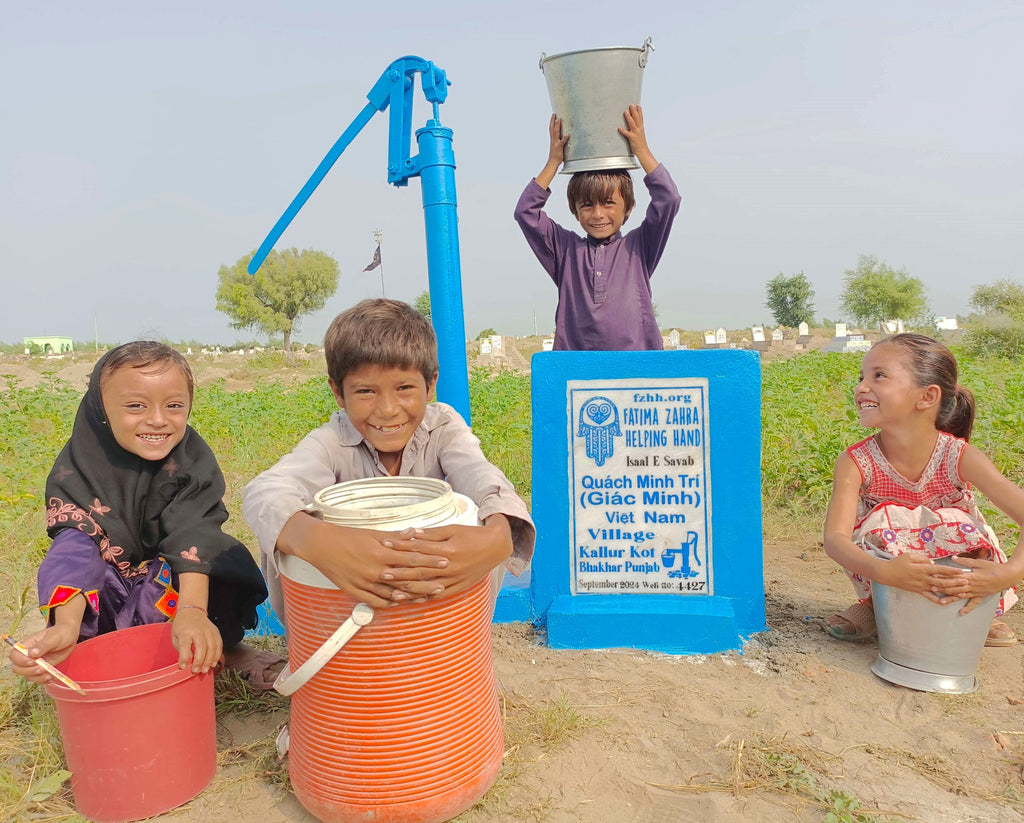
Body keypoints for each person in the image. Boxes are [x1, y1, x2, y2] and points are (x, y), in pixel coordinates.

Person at [8, 342, 282, 689]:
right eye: (136, 405)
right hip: (113, 593)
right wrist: (65, 627)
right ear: (100, 408)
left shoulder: (192, 461)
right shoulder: (79, 469)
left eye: (174, 406)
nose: (157, 419)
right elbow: (74, 548)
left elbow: (194, 532)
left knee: (220, 558)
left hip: (174, 587)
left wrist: (193, 612)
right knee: (75, 557)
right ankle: (91, 650)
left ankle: (226, 646)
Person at [243, 299, 535, 619]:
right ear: (338, 393)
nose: (387, 409)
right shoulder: (332, 442)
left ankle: (455, 640)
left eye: (404, 388)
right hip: (348, 615)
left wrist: (498, 535)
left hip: (434, 601)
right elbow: (266, 490)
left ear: (430, 385)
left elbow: (481, 475)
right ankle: (316, 642)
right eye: (366, 391)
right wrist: (317, 541)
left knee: (484, 512)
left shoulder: (443, 429)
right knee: (282, 524)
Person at [822, 333, 1023, 646]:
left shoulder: (959, 456)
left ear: (927, 397)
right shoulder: (856, 461)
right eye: (862, 376)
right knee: (886, 516)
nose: (861, 387)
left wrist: (1010, 573)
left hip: (958, 579)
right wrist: (882, 572)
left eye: (879, 376)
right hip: (888, 576)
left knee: (958, 520)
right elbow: (835, 539)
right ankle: (876, 607)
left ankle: (972, 612)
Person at [514, 104, 681, 352]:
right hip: (578, 373)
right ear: (575, 210)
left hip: (636, 370)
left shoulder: (640, 247)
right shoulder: (565, 250)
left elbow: (669, 199)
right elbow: (525, 212)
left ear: (629, 208)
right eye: (587, 205)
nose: (598, 214)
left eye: (609, 203)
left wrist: (641, 150)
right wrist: (553, 162)